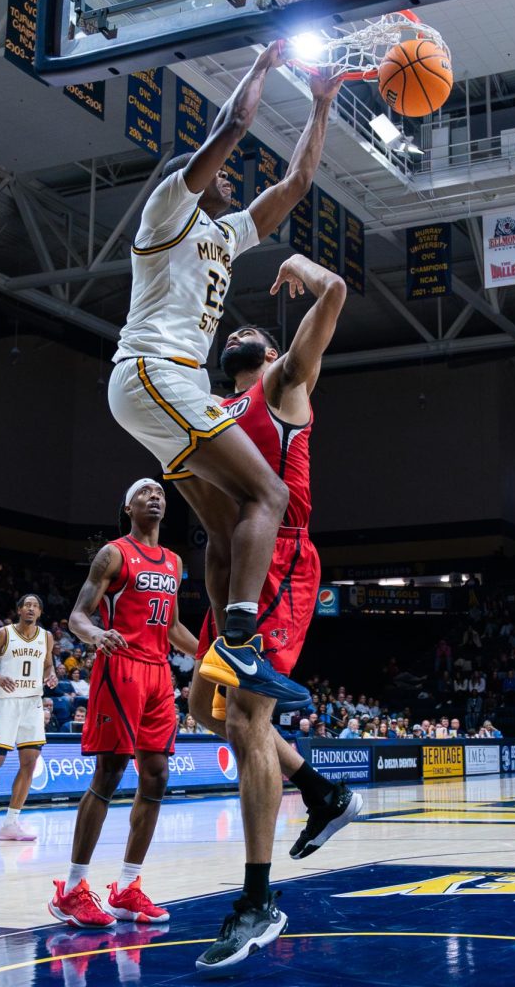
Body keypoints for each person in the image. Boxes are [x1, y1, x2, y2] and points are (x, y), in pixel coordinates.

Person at [107, 43, 341, 709]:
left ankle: (223, 650)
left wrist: (321, 104)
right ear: (193, 180)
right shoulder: (166, 214)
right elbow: (231, 127)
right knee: (267, 494)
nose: (233, 184)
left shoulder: (223, 233)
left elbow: (294, 185)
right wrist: (265, 64)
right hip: (155, 373)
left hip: (162, 390)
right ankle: (241, 641)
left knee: (225, 520)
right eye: (224, 179)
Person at [184, 255, 362, 973]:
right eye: (235, 331)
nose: (241, 334)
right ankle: (321, 791)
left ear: (271, 352)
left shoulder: (284, 384)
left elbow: (340, 292)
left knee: (244, 720)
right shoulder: (210, 409)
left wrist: (300, 268)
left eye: (255, 328)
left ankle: (258, 902)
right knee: (202, 706)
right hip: (226, 571)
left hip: (280, 562)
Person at [48, 479, 198, 929]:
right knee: (110, 771)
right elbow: (77, 615)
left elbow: (171, 626)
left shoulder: (174, 561)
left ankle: (128, 888)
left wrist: (209, 656)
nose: (155, 496)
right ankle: (72, 890)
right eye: (145, 492)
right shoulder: (114, 553)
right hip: (121, 665)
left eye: (160, 493)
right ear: (128, 507)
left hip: (157, 674)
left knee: (157, 775)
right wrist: (96, 635)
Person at [0, 594, 57, 842]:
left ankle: (11, 822)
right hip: (7, 703)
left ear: (40, 612)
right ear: (19, 609)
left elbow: (48, 664)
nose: (31, 608)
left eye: (36, 606)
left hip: (32, 704)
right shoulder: (4, 634)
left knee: (30, 762)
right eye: (27, 605)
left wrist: (51, 675)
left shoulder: (46, 637)